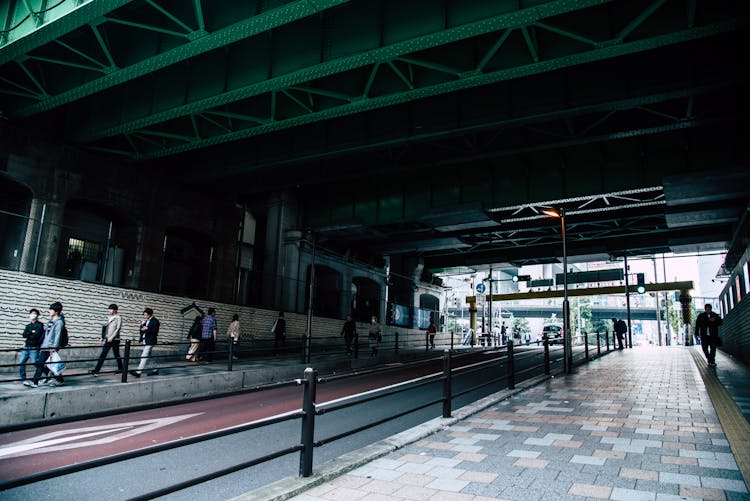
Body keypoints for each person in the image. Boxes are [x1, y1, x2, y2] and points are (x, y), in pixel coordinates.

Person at [29, 302, 66, 388]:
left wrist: (54, 348)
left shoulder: (59, 322)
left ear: (56, 311)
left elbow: (57, 336)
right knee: (46, 365)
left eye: (51, 309)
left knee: (41, 363)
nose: (49, 311)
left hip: (50, 347)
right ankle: (59, 379)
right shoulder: (50, 321)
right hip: (45, 346)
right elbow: (46, 335)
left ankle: (35, 382)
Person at [89, 304, 124, 375]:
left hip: (114, 339)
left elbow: (118, 328)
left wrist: (112, 337)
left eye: (110, 309)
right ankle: (121, 368)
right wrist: (102, 337)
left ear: (114, 310)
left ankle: (97, 370)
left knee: (112, 354)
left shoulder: (118, 317)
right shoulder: (110, 317)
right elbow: (106, 329)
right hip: (108, 338)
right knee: (108, 354)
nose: (109, 310)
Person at [130, 307, 160, 378]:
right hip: (145, 340)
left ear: (150, 314)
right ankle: (155, 370)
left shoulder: (155, 321)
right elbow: (141, 330)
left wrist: (147, 329)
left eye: (146, 315)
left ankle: (138, 372)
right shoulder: (146, 321)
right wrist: (142, 325)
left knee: (144, 356)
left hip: (150, 341)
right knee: (149, 356)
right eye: (144, 315)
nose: (145, 316)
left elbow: (155, 332)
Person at [19, 308, 44, 385]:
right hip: (26, 346)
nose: (32, 315)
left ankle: (46, 372)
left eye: (34, 313)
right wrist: (31, 332)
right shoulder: (28, 326)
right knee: (21, 362)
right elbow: (24, 335)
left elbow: (37, 335)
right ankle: (23, 379)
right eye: (31, 313)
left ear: (37, 315)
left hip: (34, 347)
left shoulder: (40, 325)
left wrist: (30, 333)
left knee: (35, 362)